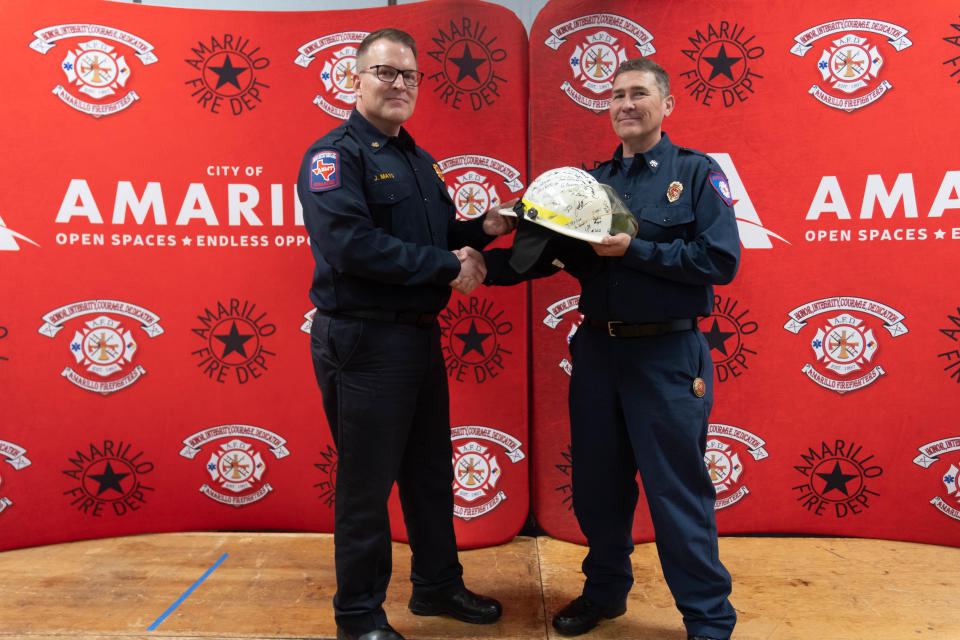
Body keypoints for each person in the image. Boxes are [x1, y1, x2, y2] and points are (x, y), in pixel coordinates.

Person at [494, 57, 740, 640]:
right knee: (598, 489)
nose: (625, 104)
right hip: (600, 356)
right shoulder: (589, 184)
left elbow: (720, 259)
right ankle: (605, 594)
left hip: (667, 357)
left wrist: (636, 250)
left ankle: (709, 621)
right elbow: (550, 258)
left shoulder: (698, 174)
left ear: (666, 105)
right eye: (615, 96)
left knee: (677, 492)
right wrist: (484, 253)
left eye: (638, 94)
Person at [296, 28, 515, 640]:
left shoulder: (416, 160)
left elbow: (439, 236)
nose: (399, 85)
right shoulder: (333, 157)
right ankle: (358, 617)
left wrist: (485, 226)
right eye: (386, 73)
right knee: (366, 489)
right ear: (355, 79)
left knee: (427, 472)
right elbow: (351, 246)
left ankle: (437, 587)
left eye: (409, 76)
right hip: (363, 343)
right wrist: (451, 266)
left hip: (417, 337)